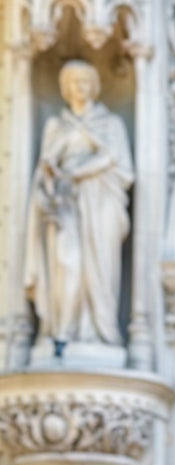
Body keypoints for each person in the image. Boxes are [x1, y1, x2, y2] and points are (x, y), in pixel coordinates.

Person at [24, 60, 133, 352]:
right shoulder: (57, 126)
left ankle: (101, 331)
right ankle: (61, 332)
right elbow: (44, 169)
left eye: (86, 82)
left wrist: (83, 169)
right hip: (66, 205)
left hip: (102, 204)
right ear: (65, 88)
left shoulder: (111, 125)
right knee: (67, 264)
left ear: (95, 87)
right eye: (74, 82)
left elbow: (123, 168)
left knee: (100, 267)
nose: (80, 88)